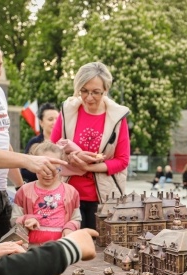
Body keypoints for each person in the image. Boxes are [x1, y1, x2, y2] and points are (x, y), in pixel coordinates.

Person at [0, 35, 66, 244]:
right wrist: (28, 160)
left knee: (10, 258)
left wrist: (20, 188)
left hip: (1, 192)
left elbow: (2, 142)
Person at [50, 61, 130, 230]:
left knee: (99, 251)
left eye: (96, 92)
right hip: (68, 195)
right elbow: (52, 150)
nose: (88, 97)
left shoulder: (117, 117)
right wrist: (73, 157)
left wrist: (88, 167)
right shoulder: (68, 110)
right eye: (84, 91)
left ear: (106, 90)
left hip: (103, 199)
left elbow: (122, 161)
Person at [12, 142, 81, 245]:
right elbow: (14, 219)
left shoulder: (71, 192)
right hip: (31, 247)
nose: (48, 174)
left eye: (54, 169)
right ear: (34, 166)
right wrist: (27, 219)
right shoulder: (24, 191)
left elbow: (76, 218)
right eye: (44, 168)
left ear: (61, 166)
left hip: (60, 245)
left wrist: (69, 228)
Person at [21, 102, 59, 183]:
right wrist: (44, 173)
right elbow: (24, 170)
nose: (55, 122)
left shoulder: (65, 142)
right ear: (41, 122)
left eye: (57, 119)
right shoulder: (34, 142)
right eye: (50, 119)